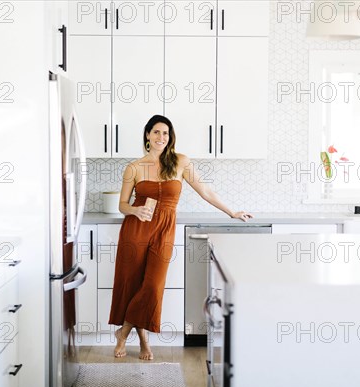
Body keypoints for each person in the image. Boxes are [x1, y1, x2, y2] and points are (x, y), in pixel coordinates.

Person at [108, 115, 253, 360]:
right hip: (136, 229)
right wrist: (134, 209)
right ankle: (143, 341)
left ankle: (123, 332)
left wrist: (232, 212)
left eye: (165, 133)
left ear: (170, 137)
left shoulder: (180, 162)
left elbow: (205, 190)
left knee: (152, 286)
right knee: (133, 284)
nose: (161, 137)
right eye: (156, 132)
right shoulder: (133, 167)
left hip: (164, 229)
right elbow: (122, 204)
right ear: (147, 135)